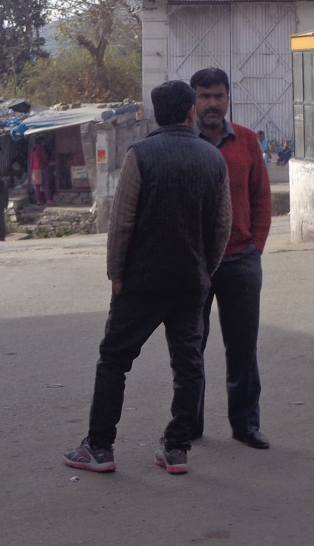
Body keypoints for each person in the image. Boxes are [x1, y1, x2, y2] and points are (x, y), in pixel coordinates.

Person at [62, 80, 231, 476]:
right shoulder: (212, 158)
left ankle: (99, 447)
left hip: (141, 280)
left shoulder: (142, 155)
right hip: (191, 281)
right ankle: (176, 449)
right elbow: (223, 224)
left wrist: (116, 274)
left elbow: (122, 223)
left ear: (156, 114)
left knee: (114, 360)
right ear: (190, 112)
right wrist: (206, 271)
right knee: (188, 365)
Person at [191, 66, 274, 450]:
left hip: (241, 260)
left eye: (218, 96)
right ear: (194, 99)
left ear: (228, 99)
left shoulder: (245, 140)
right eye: (205, 95)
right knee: (190, 347)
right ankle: (188, 424)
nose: (212, 103)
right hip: (194, 263)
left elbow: (261, 197)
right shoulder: (182, 142)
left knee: (242, 348)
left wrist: (256, 245)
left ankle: (246, 425)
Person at [28, 140, 51, 205]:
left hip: (34, 170)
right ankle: (49, 200)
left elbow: (31, 162)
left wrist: (31, 171)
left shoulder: (33, 151)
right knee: (45, 185)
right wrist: (47, 164)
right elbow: (45, 159)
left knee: (37, 187)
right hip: (41, 169)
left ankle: (38, 201)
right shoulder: (41, 149)